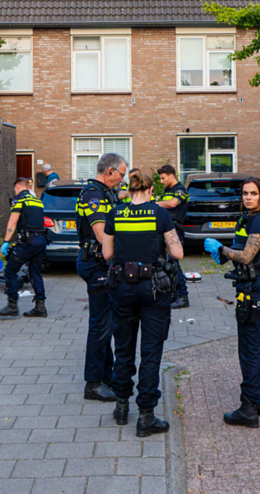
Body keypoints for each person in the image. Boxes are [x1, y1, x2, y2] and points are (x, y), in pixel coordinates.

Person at [102, 168, 183, 437]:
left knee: (123, 348)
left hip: (121, 288)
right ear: (150, 190)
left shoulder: (115, 213)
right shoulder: (159, 214)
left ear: (129, 190)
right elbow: (178, 253)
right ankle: (146, 416)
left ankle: (121, 407)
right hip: (153, 290)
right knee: (150, 352)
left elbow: (107, 253)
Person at [204, 177, 260, 428]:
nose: (248, 197)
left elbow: (247, 256)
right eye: (245, 193)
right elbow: (243, 249)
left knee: (250, 348)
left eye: (253, 193)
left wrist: (221, 249)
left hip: (254, 289)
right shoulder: (249, 218)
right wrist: (227, 256)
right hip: (257, 285)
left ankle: (248, 407)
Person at [76, 151, 127, 402]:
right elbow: (100, 234)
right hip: (96, 264)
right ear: (109, 171)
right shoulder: (93, 195)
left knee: (106, 324)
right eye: (121, 175)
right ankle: (94, 384)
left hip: (101, 264)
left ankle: (107, 377)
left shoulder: (104, 193)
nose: (122, 180)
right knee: (99, 326)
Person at [0, 177, 48, 318]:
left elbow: (13, 221)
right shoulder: (37, 201)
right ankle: (40, 307)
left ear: (18, 187)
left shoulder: (19, 200)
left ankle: (12, 305)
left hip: (27, 242)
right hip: (40, 241)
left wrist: (6, 241)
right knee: (35, 273)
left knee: (10, 271)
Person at [155, 165, 190, 309]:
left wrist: (153, 204)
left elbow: (172, 203)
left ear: (171, 176)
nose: (161, 181)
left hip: (175, 231)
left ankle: (183, 296)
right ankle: (173, 294)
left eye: (163, 178)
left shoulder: (181, 190)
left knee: (174, 264)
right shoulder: (167, 191)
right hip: (166, 230)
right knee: (167, 264)